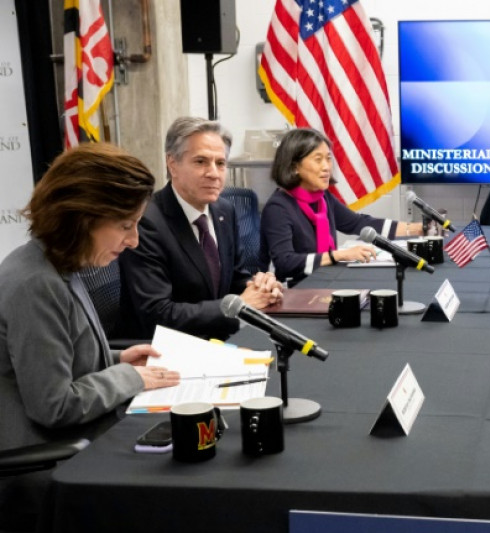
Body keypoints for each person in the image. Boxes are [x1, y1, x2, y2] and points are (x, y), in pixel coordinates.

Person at [0, 143, 180, 530]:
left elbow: (57, 360)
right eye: (126, 225)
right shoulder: (35, 284)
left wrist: (118, 359)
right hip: (47, 463)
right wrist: (129, 377)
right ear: (83, 218)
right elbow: (54, 406)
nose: (134, 241)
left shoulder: (57, 264)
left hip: (74, 439)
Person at [118, 117, 282, 340]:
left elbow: (235, 280)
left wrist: (261, 288)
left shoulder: (225, 210)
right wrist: (238, 305)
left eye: (220, 163)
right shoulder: (147, 222)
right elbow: (158, 313)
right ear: (172, 164)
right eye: (201, 162)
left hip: (220, 337)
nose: (213, 173)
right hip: (170, 347)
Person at [260, 128, 423, 285]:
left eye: (328, 158)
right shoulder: (278, 208)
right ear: (294, 167)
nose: (326, 167)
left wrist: (416, 229)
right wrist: (337, 255)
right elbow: (285, 263)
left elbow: (359, 223)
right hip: (296, 288)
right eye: (318, 159)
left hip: (324, 280)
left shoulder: (322, 198)